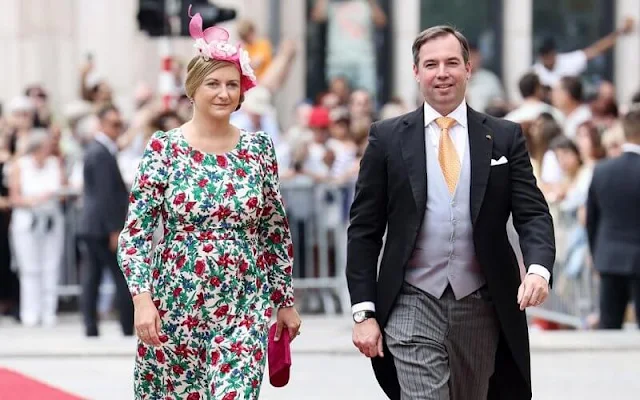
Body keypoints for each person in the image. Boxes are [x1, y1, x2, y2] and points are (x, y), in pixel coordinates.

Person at [345, 26, 556, 400]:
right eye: (431, 64)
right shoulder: (387, 137)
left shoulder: (505, 136)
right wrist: (364, 312)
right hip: (411, 300)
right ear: (416, 72)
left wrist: (538, 269)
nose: (442, 72)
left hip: (481, 303)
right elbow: (364, 229)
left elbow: (531, 212)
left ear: (468, 68)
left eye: (451, 63)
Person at [117, 8, 301, 399]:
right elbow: (134, 236)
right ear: (193, 89)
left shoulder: (258, 149)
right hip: (176, 302)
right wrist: (142, 300)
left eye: (233, 85)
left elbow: (274, 233)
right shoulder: (163, 148)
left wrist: (283, 301)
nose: (224, 93)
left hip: (243, 301)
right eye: (214, 84)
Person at [77, 104, 134, 337]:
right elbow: (105, 195)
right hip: (102, 226)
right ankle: (124, 324)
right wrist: (114, 229)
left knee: (94, 276)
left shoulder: (101, 150)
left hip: (94, 225)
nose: (118, 129)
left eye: (120, 124)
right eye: (114, 124)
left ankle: (92, 325)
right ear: (101, 124)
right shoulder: (100, 152)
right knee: (118, 275)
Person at [586, 105, 640, 329]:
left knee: (608, 328)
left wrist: (596, 254)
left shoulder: (602, 170)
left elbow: (592, 219)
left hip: (609, 258)